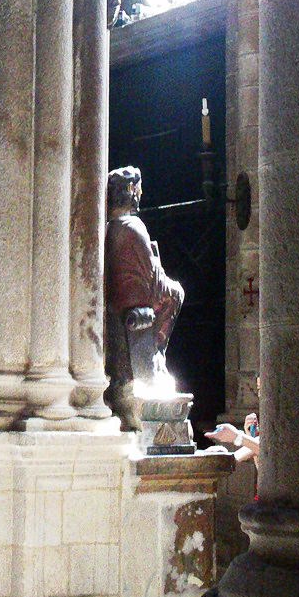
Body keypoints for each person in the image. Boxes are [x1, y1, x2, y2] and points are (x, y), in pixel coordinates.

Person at [105, 165, 185, 429]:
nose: (140, 195)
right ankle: (157, 358)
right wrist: (160, 269)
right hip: (138, 307)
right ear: (130, 190)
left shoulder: (108, 228)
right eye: (138, 190)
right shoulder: (134, 226)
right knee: (176, 293)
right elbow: (154, 281)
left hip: (120, 305)